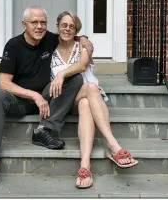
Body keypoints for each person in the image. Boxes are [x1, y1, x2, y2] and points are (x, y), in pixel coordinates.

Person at [0, 6, 94, 193]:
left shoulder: (49, 39)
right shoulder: (13, 46)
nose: (39, 26)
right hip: (20, 100)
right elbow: (4, 83)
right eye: (34, 22)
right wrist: (34, 95)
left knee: (74, 77)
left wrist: (84, 39)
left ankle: (44, 130)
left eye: (43, 22)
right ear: (24, 24)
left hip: (47, 98)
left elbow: (70, 34)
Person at [49, 11, 138, 189]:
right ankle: (113, 145)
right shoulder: (49, 49)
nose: (67, 29)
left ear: (77, 31)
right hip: (66, 99)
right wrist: (58, 78)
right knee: (90, 88)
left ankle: (85, 165)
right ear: (57, 26)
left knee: (85, 102)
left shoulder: (84, 46)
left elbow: (82, 65)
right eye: (64, 25)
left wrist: (61, 74)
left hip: (89, 98)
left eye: (72, 26)